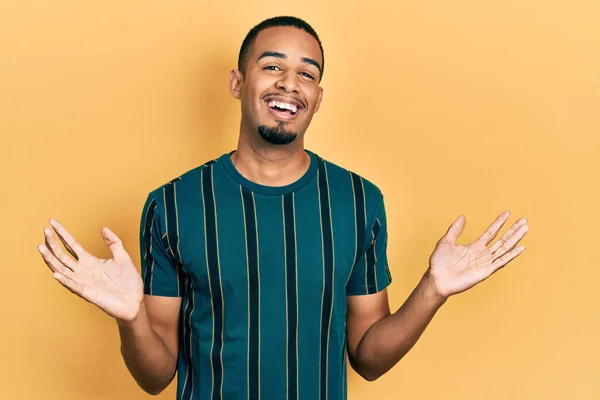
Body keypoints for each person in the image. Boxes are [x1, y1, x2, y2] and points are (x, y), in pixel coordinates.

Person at [37, 16, 529, 400]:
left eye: (306, 74)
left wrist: (433, 291)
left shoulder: (359, 200)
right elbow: (156, 376)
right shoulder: (172, 204)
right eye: (272, 66)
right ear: (237, 82)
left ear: (317, 98)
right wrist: (130, 318)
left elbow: (369, 358)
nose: (289, 83)